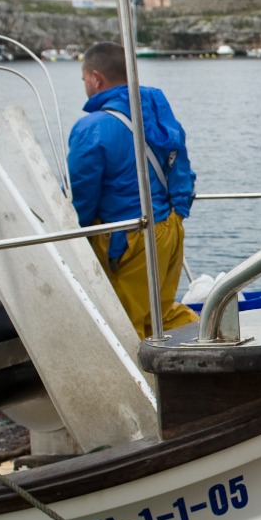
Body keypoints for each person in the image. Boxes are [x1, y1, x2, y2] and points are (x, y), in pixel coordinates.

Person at [68, 41, 196, 339]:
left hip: (129, 238)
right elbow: (182, 170)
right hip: (170, 228)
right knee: (160, 314)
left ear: (96, 78)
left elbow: (81, 198)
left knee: (123, 324)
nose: (85, 85)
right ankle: (211, 346)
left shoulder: (93, 127)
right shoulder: (157, 113)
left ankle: (137, 384)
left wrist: (76, 236)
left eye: (85, 79)